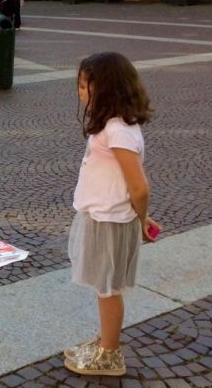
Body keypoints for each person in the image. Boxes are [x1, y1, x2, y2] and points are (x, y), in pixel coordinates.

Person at [64, 52, 159, 377]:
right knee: (105, 287)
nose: (79, 92)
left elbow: (139, 187)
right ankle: (106, 340)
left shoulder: (118, 131)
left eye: (84, 85)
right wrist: (141, 217)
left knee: (107, 289)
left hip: (109, 219)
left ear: (106, 89)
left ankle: (110, 354)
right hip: (104, 215)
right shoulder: (112, 125)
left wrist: (141, 217)